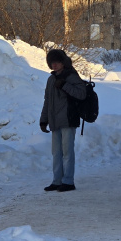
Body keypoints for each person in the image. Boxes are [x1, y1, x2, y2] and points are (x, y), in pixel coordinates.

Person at [40, 49, 86, 193]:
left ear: (63, 62)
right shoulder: (51, 79)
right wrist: (43, 119)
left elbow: (81, 94)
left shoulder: (71, 76)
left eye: (57, 62)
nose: (54, 65)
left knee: (67, 152)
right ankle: (57, 181)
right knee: (56, 153)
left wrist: (65, 85)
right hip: (55, 121)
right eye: (51, 62)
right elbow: (47, 100)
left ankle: (68, 181)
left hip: (68, 119)